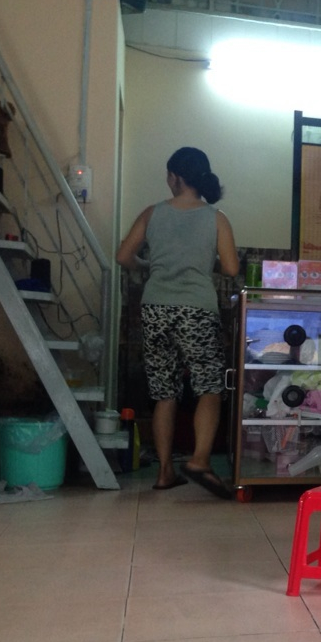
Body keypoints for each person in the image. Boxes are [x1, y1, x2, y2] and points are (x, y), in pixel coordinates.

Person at [116, 147, 239, 497]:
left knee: (164, 392)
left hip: (155, 308)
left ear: (175, 176)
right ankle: (199, 460)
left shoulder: (152, 213)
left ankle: (165, 472)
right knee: (209, 387)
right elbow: (231, 268)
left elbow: (123, 256)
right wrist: (203, 262)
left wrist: (148, 266)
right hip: (197, 309)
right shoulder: (216, 218)